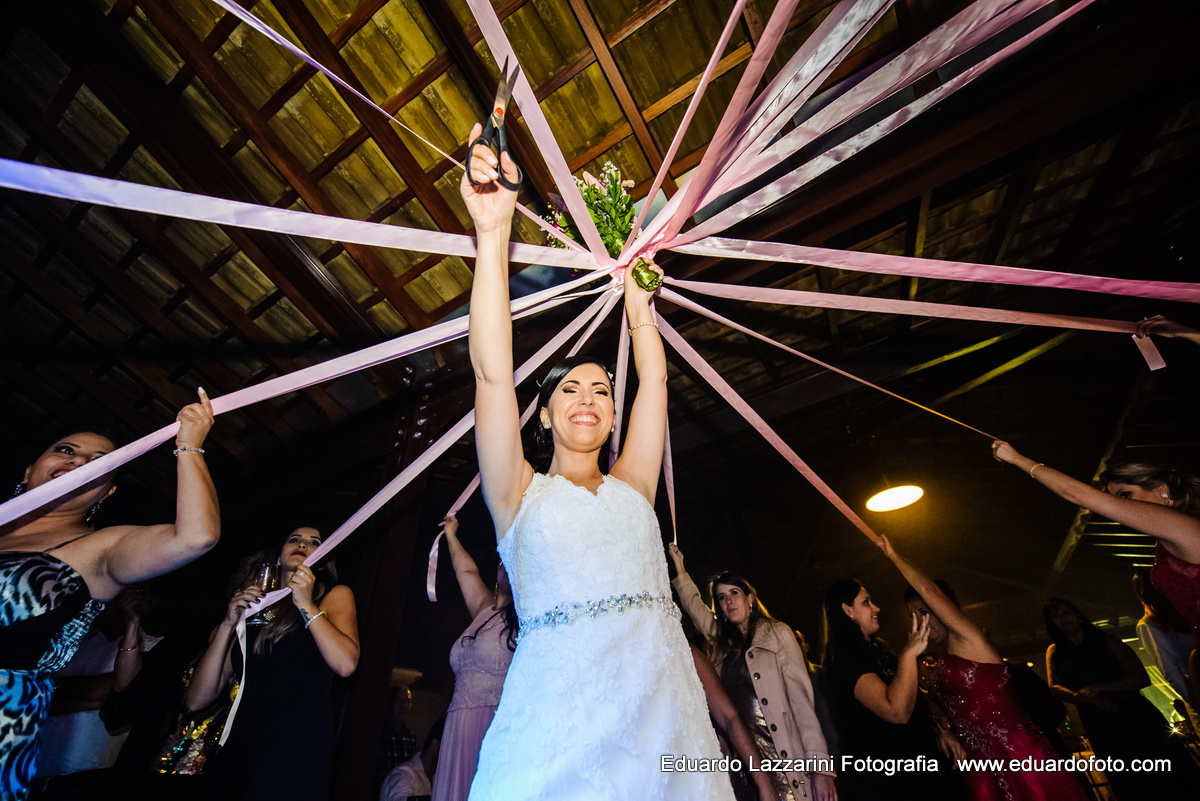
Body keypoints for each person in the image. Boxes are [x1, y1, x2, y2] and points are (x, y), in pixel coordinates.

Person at [461, 126, 734, 801]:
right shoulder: (516, 494)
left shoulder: (635, 487)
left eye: (602, 390)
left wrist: (640, 308)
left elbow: (656, 381)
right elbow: (492, 375)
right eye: (569, 390)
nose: (588, 397)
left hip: (664, 719)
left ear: (613, 418)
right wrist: (493, 233)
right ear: (543, 415)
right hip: (557, 726)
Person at [1, 391, 218, 799]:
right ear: (30, 470)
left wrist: (190, 444)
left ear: (107, 493)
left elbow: (195, 537)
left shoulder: (101, 548)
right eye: (66, 450)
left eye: (98, 462)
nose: (78, 462)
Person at [879, 537, 1087, 800]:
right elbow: (936, 709)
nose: (920, 621)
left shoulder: (968, 638)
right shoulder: (938, 662)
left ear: (944, 608)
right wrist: (942, 729)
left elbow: (929, 590)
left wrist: (893, 556)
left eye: (924, 611)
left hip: (1016, 751)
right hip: (977, 763)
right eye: (913, 615)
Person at [184, 526, 359, 800]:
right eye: (294, 539)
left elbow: (346, 664)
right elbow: (196, 699)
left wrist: (306, 604)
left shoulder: (332, 596)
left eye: (314, 542)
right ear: (278, 558)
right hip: (245, 739)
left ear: (324, 561)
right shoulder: (258, 611)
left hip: (296, 742)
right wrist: (229, 624)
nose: (302, 544)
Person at [669, 545, 836, 801]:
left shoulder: (778, 633)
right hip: (745, 763)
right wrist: (679, 566)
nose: (728, 601)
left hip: (785, 756)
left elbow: (802, 704)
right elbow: (694, 607)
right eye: (721, 597)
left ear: (750, 598)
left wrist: (821, 769)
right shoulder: (721, 642)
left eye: (734, 593)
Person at [821, 579, 967, 801]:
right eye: (866, 602)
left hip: (916, 776)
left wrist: (940, 732)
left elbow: (915, 701)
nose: (876, 608)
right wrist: (909, 655)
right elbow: (896, 711)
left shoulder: (878, 651)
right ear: (847, 610)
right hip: (884, 784)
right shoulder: (844, 660)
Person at [1044, 596, 1200, 798]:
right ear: (1051, 623)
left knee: (1164, 774)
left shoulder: (1107, 640)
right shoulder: (1055, 651)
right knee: (1129, 780)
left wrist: (1101, 688)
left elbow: (1141, 678)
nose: (1064, 619)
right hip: (1098, 721)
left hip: (1133, 714)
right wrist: (1085, 698)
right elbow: (1054, 687)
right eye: (1056, 616)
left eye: (1067, 612)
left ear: (1078, 615)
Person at [432, 514, 516, 801]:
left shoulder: (525, 620)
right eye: (505, 559)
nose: (508, 565)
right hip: (457, 722)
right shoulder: (484, 608)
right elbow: (466, 571)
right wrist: (451, 535)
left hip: (492, 721)